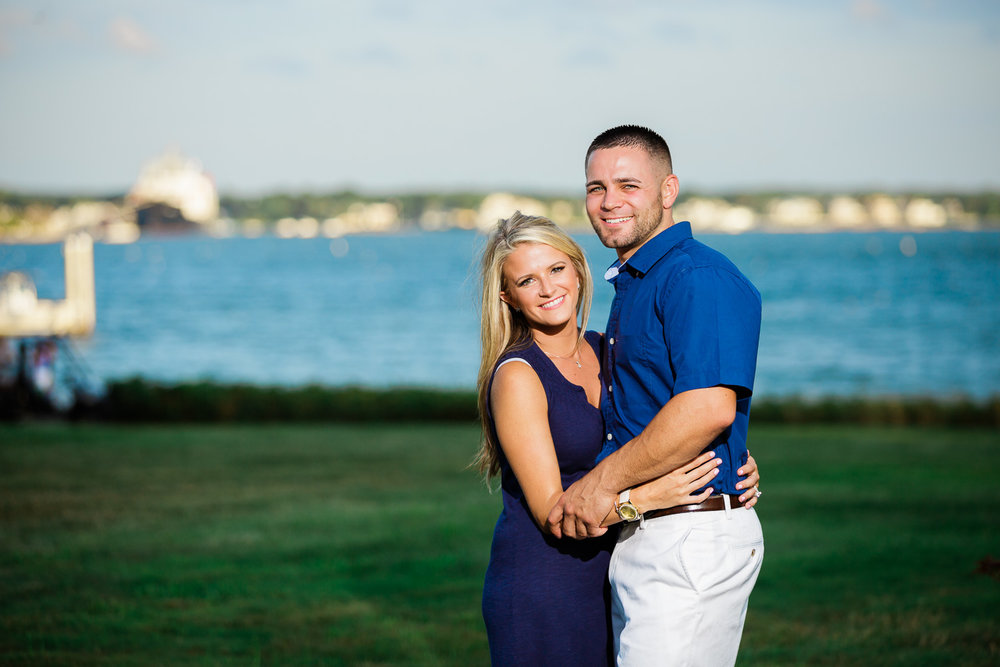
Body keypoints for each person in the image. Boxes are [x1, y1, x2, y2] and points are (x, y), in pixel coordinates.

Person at [476, 212, 761, 666]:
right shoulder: (517, 376)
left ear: (578, 268)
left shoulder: (602, 347)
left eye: (556, 270)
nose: (549, 289)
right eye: (527, 281)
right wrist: (647, 497)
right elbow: (554, 513)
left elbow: (659, 426)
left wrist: (731, 457)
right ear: (508, 297)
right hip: (543, 586)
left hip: (611, 571)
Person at [547, 125, 764, 666]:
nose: (608, 201)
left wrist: (602, 484)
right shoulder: (638, 279)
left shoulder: (696, 276)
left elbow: (708, 408)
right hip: (647, 528)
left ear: (668, 191)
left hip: (688, 538)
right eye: (596, 188)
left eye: (628, 185)